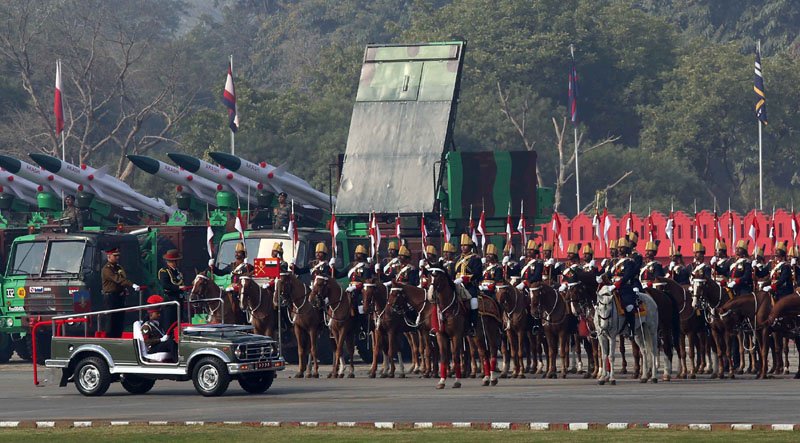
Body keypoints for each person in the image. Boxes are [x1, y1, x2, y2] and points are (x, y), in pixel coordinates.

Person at [101, 247, 140, 338]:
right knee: (111, 320)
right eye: (115, 256)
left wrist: (125, 288)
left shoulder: (118, 267)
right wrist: (132, 284)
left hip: (119, 296)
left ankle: (118, 336)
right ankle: (110, 338)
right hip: (111, 297)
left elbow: (123, 277)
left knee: (119, 318)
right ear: (109, 256)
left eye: (118, 256)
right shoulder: (107, 269)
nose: (117, 258)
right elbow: (117, 279)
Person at [455, 233, 482, 335]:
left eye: (465, 245)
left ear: (470, 247)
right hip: (457, 285)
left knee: (474, 303)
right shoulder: (457, 259)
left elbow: (477, 274)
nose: (463, 248)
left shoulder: (475, 259)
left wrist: (464, 279)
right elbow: (453, 273)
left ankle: (472, 325)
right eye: (461, 246)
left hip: (469, 286)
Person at [612, 237, 638, 338]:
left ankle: (631, 329)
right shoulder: (614, 263)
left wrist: (618, 283)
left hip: (624, 288)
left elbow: (627, 275)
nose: (619, 250)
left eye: (622, 248)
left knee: (629, 307)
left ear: (627, 249)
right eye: (618, 248)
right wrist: (601, 277)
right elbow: (610, 273)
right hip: (613, 287)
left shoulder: (629, 262)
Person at [140, 295, 177, 359]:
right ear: (151, 314)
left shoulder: (158, 324)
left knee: (173, 341)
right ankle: (177, 360)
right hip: (152, 348)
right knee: (170, 343)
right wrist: (160, 340)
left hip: (158, 345)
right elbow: (146, 341)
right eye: (157, 313)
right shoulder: (146, 326)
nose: (159, 315)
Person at [158, 249, 184, 329]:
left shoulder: (177, 271)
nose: (176, 263)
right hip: (170, 299)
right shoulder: (164, 271)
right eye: (175, 261)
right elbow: (165, 285)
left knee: (179, 319)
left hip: (179, 298)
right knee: (169, 321)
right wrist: (178, 287)